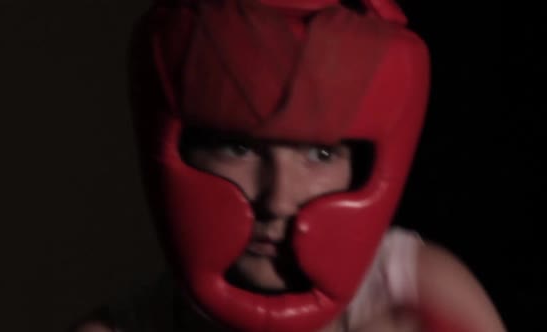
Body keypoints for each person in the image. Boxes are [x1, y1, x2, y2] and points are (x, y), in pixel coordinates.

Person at [75, 0, 506, 331]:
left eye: (319, 153)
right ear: (182, 149)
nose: (278, 199)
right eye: (239, 149)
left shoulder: (415, 285)